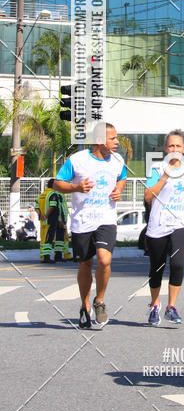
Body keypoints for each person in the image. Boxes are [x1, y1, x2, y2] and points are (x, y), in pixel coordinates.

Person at [54, 123, 126, 328]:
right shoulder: (77, 160)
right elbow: (57, 184)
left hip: (106, 219)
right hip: (82, 221)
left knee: (104, 259)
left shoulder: (118, 160)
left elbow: (122, 177)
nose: (117, 142)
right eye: (113, 138)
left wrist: (118, 190)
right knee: (85, 264)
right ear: (99, 140)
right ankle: (85, 306)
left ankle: (99, 301)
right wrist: (76, 187)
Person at [145, 129, 184, 325]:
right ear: (166, 148)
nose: (175, 149)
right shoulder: (157, 168)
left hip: (181, 223)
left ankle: (171, 306)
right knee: (157, 269)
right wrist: (165, 177)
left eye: (178, 146)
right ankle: (154, 304)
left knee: (177, 264)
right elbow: (148, 196)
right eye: (171, 146)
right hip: (158, 224)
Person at [44, 179, 69, 261]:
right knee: (51, 238)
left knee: (59, 239)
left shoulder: (50, 194)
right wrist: (60, 220)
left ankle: (58, 255)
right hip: (56, 220)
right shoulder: (55, 194)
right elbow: (57, 208)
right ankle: (48, 257)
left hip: (56, 219)